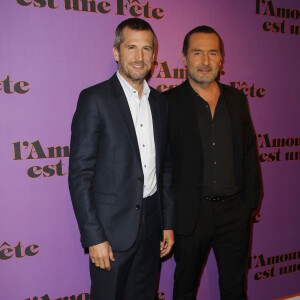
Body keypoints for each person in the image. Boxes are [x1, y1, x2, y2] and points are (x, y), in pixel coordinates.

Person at [68, 18, 175, 300]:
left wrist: (168, 223)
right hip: (111, 232)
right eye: (131, 47)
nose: (139, 57)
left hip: (153, 224)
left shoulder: (160, 103)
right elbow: (80, 175)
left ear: (154, 54)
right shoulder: (95, 99)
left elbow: (164, 169)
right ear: (116, 52)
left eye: (146, 49)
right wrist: (94, 237)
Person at [164, 26, 261, 300]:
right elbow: (162, 166)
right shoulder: (167, 103)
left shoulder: (237, 99)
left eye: (212, 53)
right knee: (184, 289)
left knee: (234, 288)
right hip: (190, 215)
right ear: (184, 58)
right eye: (197, 53)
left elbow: (248, 152)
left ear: (221, 59)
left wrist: (248, 205)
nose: (205, 61)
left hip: (235, 213)